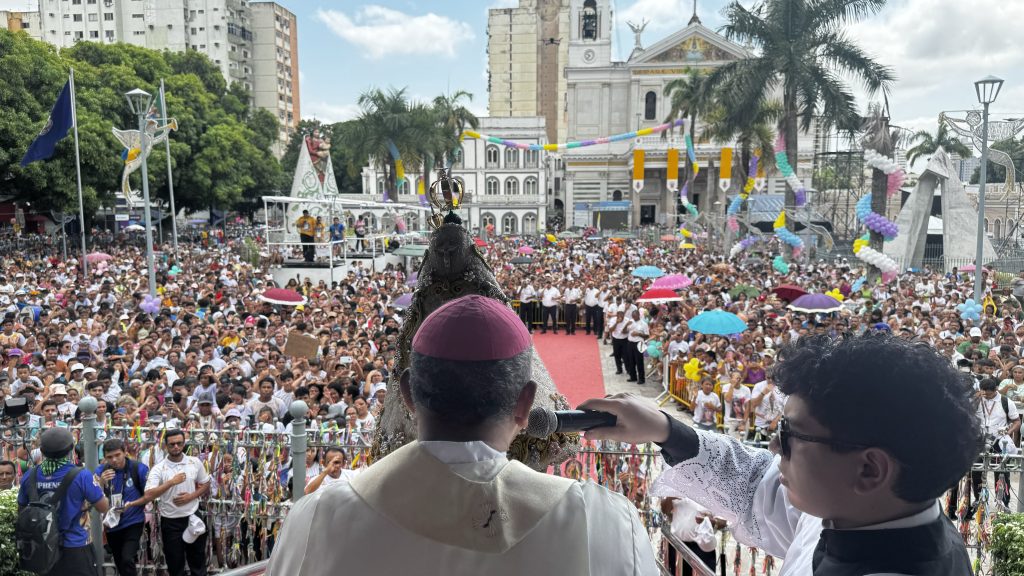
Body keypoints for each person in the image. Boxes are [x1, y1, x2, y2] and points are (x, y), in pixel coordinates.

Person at [268, 294, 657, 575]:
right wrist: (666, 432)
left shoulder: (318, 518)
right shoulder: (599, 521)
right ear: (525, 404)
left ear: (407, 394)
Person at [581, 333, 976, 576]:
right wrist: (665, 430)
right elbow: (757, 482)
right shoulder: (864, 512)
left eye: (788, 434)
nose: (773, 447)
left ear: (870, 470)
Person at [17, 428, 109, 576]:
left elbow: (22, 511)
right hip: (76, 546)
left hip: (43, 549)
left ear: (42, 450)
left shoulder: (29, 476)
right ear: (71, 449)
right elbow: (103, 507)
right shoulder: (82, 475)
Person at [142, 429, 210, 576]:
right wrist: (171, 482)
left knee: (198, 563)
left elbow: (205, 483)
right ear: (165, 446)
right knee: (175, 565)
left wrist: (191, 496)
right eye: (172, 444)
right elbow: (148, 494)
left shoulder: (194, 462)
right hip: (171, 522)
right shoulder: (159, 468)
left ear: (184, 443)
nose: (176, 447)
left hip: (193, 517)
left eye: (179, 443)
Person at [97, 438, 149, 576]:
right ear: (104, 457)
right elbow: (92, 498)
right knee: (120, 562)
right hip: (112, 524)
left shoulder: (138, 468)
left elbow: (149, 495)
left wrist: (132, 504)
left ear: (125, 452)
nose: (114, 460)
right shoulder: (101, 471)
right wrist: (101, 483)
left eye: (117, 455)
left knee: (127, 558)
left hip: (133, 521)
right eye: (109, 457)